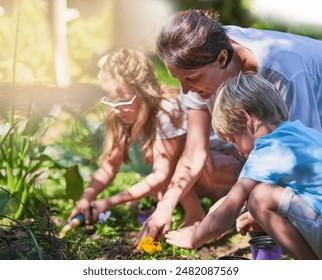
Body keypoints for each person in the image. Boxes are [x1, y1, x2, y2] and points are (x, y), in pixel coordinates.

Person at [135, 8, 322, 244]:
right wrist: (165, 205)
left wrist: (237, 206)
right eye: (178, 80)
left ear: (222, 59)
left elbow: (301, 160)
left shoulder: (285, 74)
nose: (185, 90)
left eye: (191, 79)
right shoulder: (201, 51)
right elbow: (194, 152)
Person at [165, 72, 322, 260]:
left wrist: (194, 238)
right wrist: (234, 210)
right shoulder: (299, 133)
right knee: (257, 196)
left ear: (246, 118)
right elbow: (235, 200)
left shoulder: (267, 149)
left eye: (233, 140)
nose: (239, 151)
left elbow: (221, 220)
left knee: (260, 197)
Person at [68, 48, 205, 226]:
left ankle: (195, 218)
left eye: (123, 100)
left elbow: (163, 174)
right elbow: (110, 165)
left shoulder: (167, 108)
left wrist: (108, 202)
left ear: (144, 91)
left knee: (168, 166)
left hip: (209, 170)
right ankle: (160, 198)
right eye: (111, 99)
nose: (116, 107)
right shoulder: (119, 112)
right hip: (177, 179)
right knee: (151, 189)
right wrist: (86, 197)